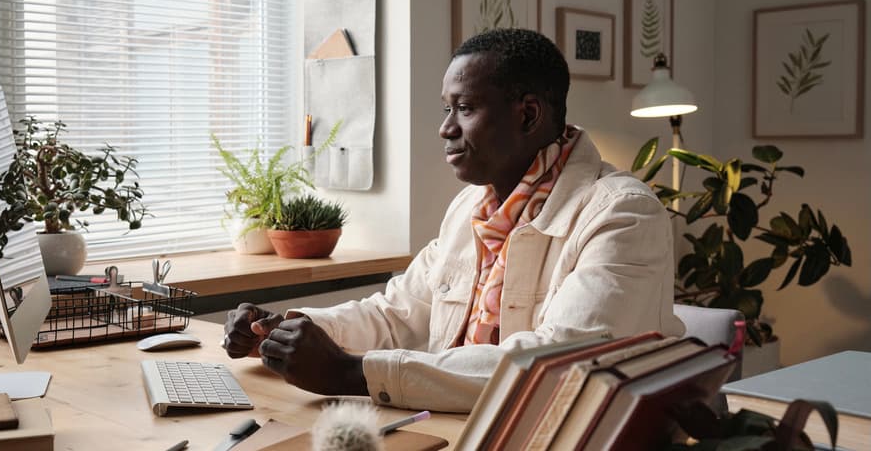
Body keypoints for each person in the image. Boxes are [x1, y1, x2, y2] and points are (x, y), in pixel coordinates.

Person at [223, 28, 685, 412]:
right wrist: (285, 327)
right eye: (448, 109)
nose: (445, 128)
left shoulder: (623, 213)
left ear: (528, 114)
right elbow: (396, 315)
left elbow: (554, 368)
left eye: (464, 109)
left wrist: (349, 372)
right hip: (451, 426)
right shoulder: (470, 209)